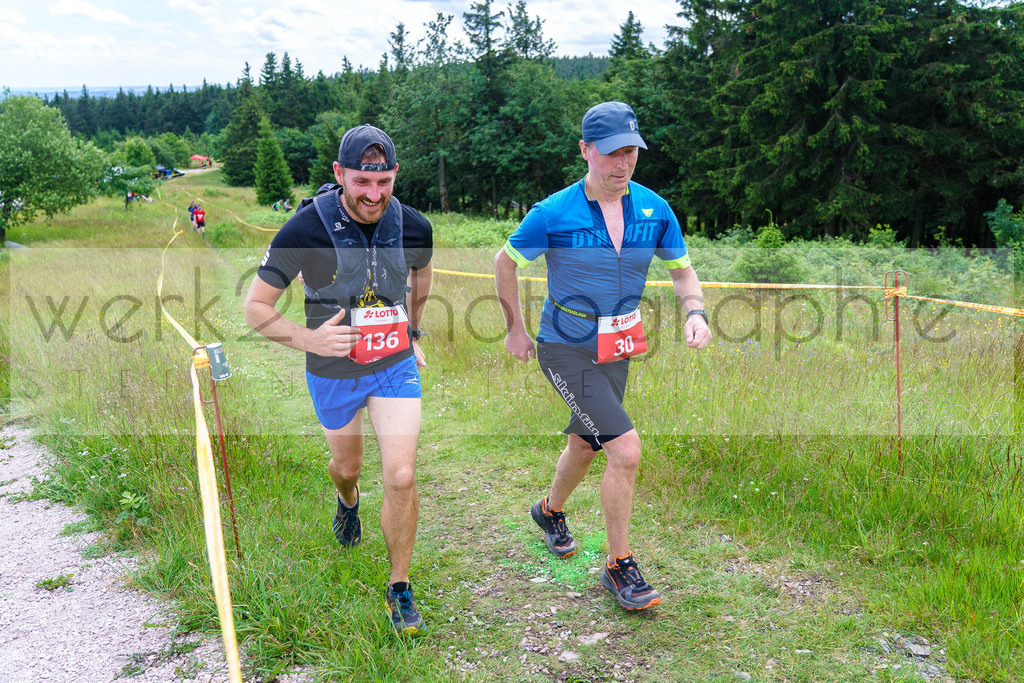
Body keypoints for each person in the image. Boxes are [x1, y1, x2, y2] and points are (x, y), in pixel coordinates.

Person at [494, 101, 712, 612]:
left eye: (632, 151)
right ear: (586, 150)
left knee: (589, 440)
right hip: (563, 345)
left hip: (618, 344)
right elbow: (504, 261)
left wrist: (695, 312)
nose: (624, 163)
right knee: (625, 449)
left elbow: (682, 272)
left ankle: (549, 511)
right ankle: (619, 566)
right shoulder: (552, 212)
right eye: (612, 152)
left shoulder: (656, 210)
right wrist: (514, 329)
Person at [244, 124, 434, 635]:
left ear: (395, 176)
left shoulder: (415, 226)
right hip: (331, 365)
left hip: (392, 362)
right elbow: (256, 309)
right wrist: (310, 341)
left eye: (384, 183)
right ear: (339, 175)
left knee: (400, 475)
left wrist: (412, 331)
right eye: (361, 184)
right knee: (347, 467)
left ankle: (399, 586)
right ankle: (347, 500)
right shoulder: (304, 230)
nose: (373, 196)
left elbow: (422, 275)